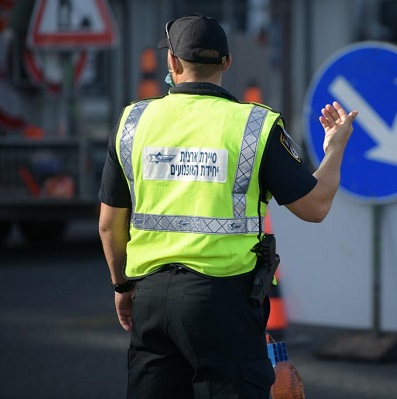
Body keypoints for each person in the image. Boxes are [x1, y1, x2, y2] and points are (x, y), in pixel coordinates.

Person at [98, 13, 357, 399]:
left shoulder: (133, 122)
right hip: (222, 304)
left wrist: (122, 286)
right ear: (226, 63)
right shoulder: (254, 126)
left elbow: (108, 224)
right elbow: (315, 206)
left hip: (151, 300)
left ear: (171, 62)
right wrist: (335, 147)